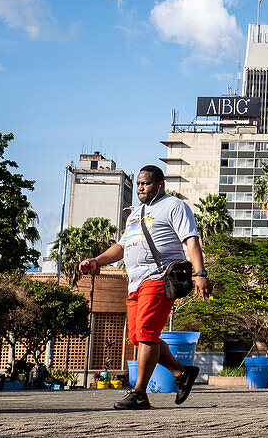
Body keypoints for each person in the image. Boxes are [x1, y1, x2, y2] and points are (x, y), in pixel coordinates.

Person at [80, 165, 211, 410]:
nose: (140, 187)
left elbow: (190, 239)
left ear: (159, 184)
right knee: (138, 337)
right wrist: (97, 261)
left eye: (146, 183)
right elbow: (121, 247)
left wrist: (200, 273)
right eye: (139, 183)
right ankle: (181, 373)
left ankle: (139, 393)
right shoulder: (134, 214)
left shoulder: (174, 206)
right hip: (135, 283)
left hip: (159, 278)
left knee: (147, 335)